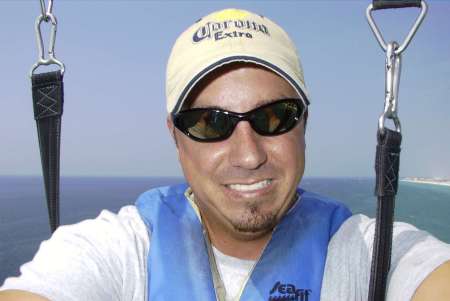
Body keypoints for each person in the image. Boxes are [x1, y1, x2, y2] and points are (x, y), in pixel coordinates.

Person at [1, 8, 449, 301]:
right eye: (210, 123)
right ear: (176, 138)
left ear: (304, 125)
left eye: (275, 117)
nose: (248, 154)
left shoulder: (369, 257)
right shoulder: (122, 252)